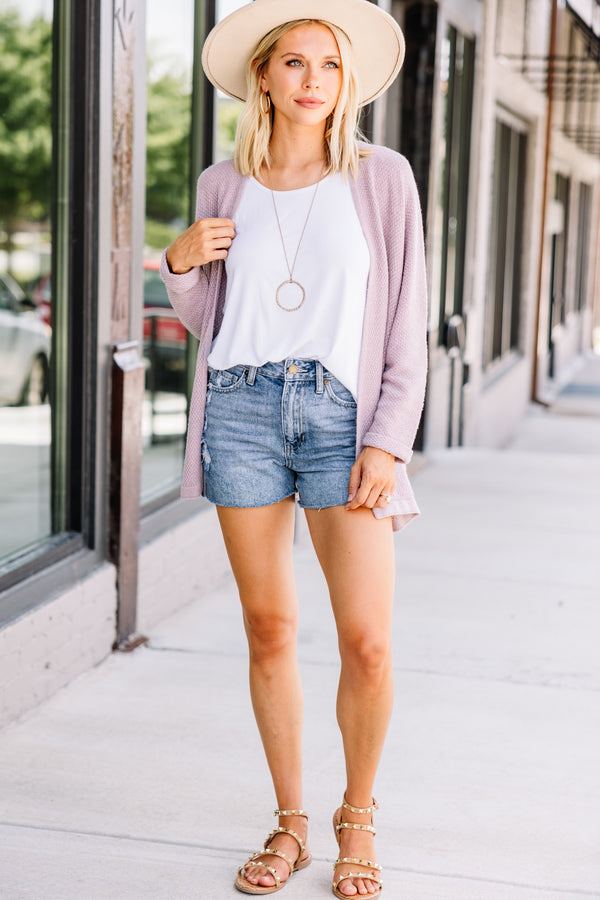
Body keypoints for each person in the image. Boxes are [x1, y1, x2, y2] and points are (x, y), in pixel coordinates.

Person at [161, 0, 427, 895]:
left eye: (328, 65)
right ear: (264, 79)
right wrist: (179, 262)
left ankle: (359, 817)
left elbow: (406, 324)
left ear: (345, 81)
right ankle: (291, 824)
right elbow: (212, 320)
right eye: (294, 64)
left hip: (342, 418)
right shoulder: (221, 184)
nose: (313, 81)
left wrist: (389, 439)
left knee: (368, 642)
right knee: (270, 629)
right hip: (239, 408)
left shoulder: (381, 178)